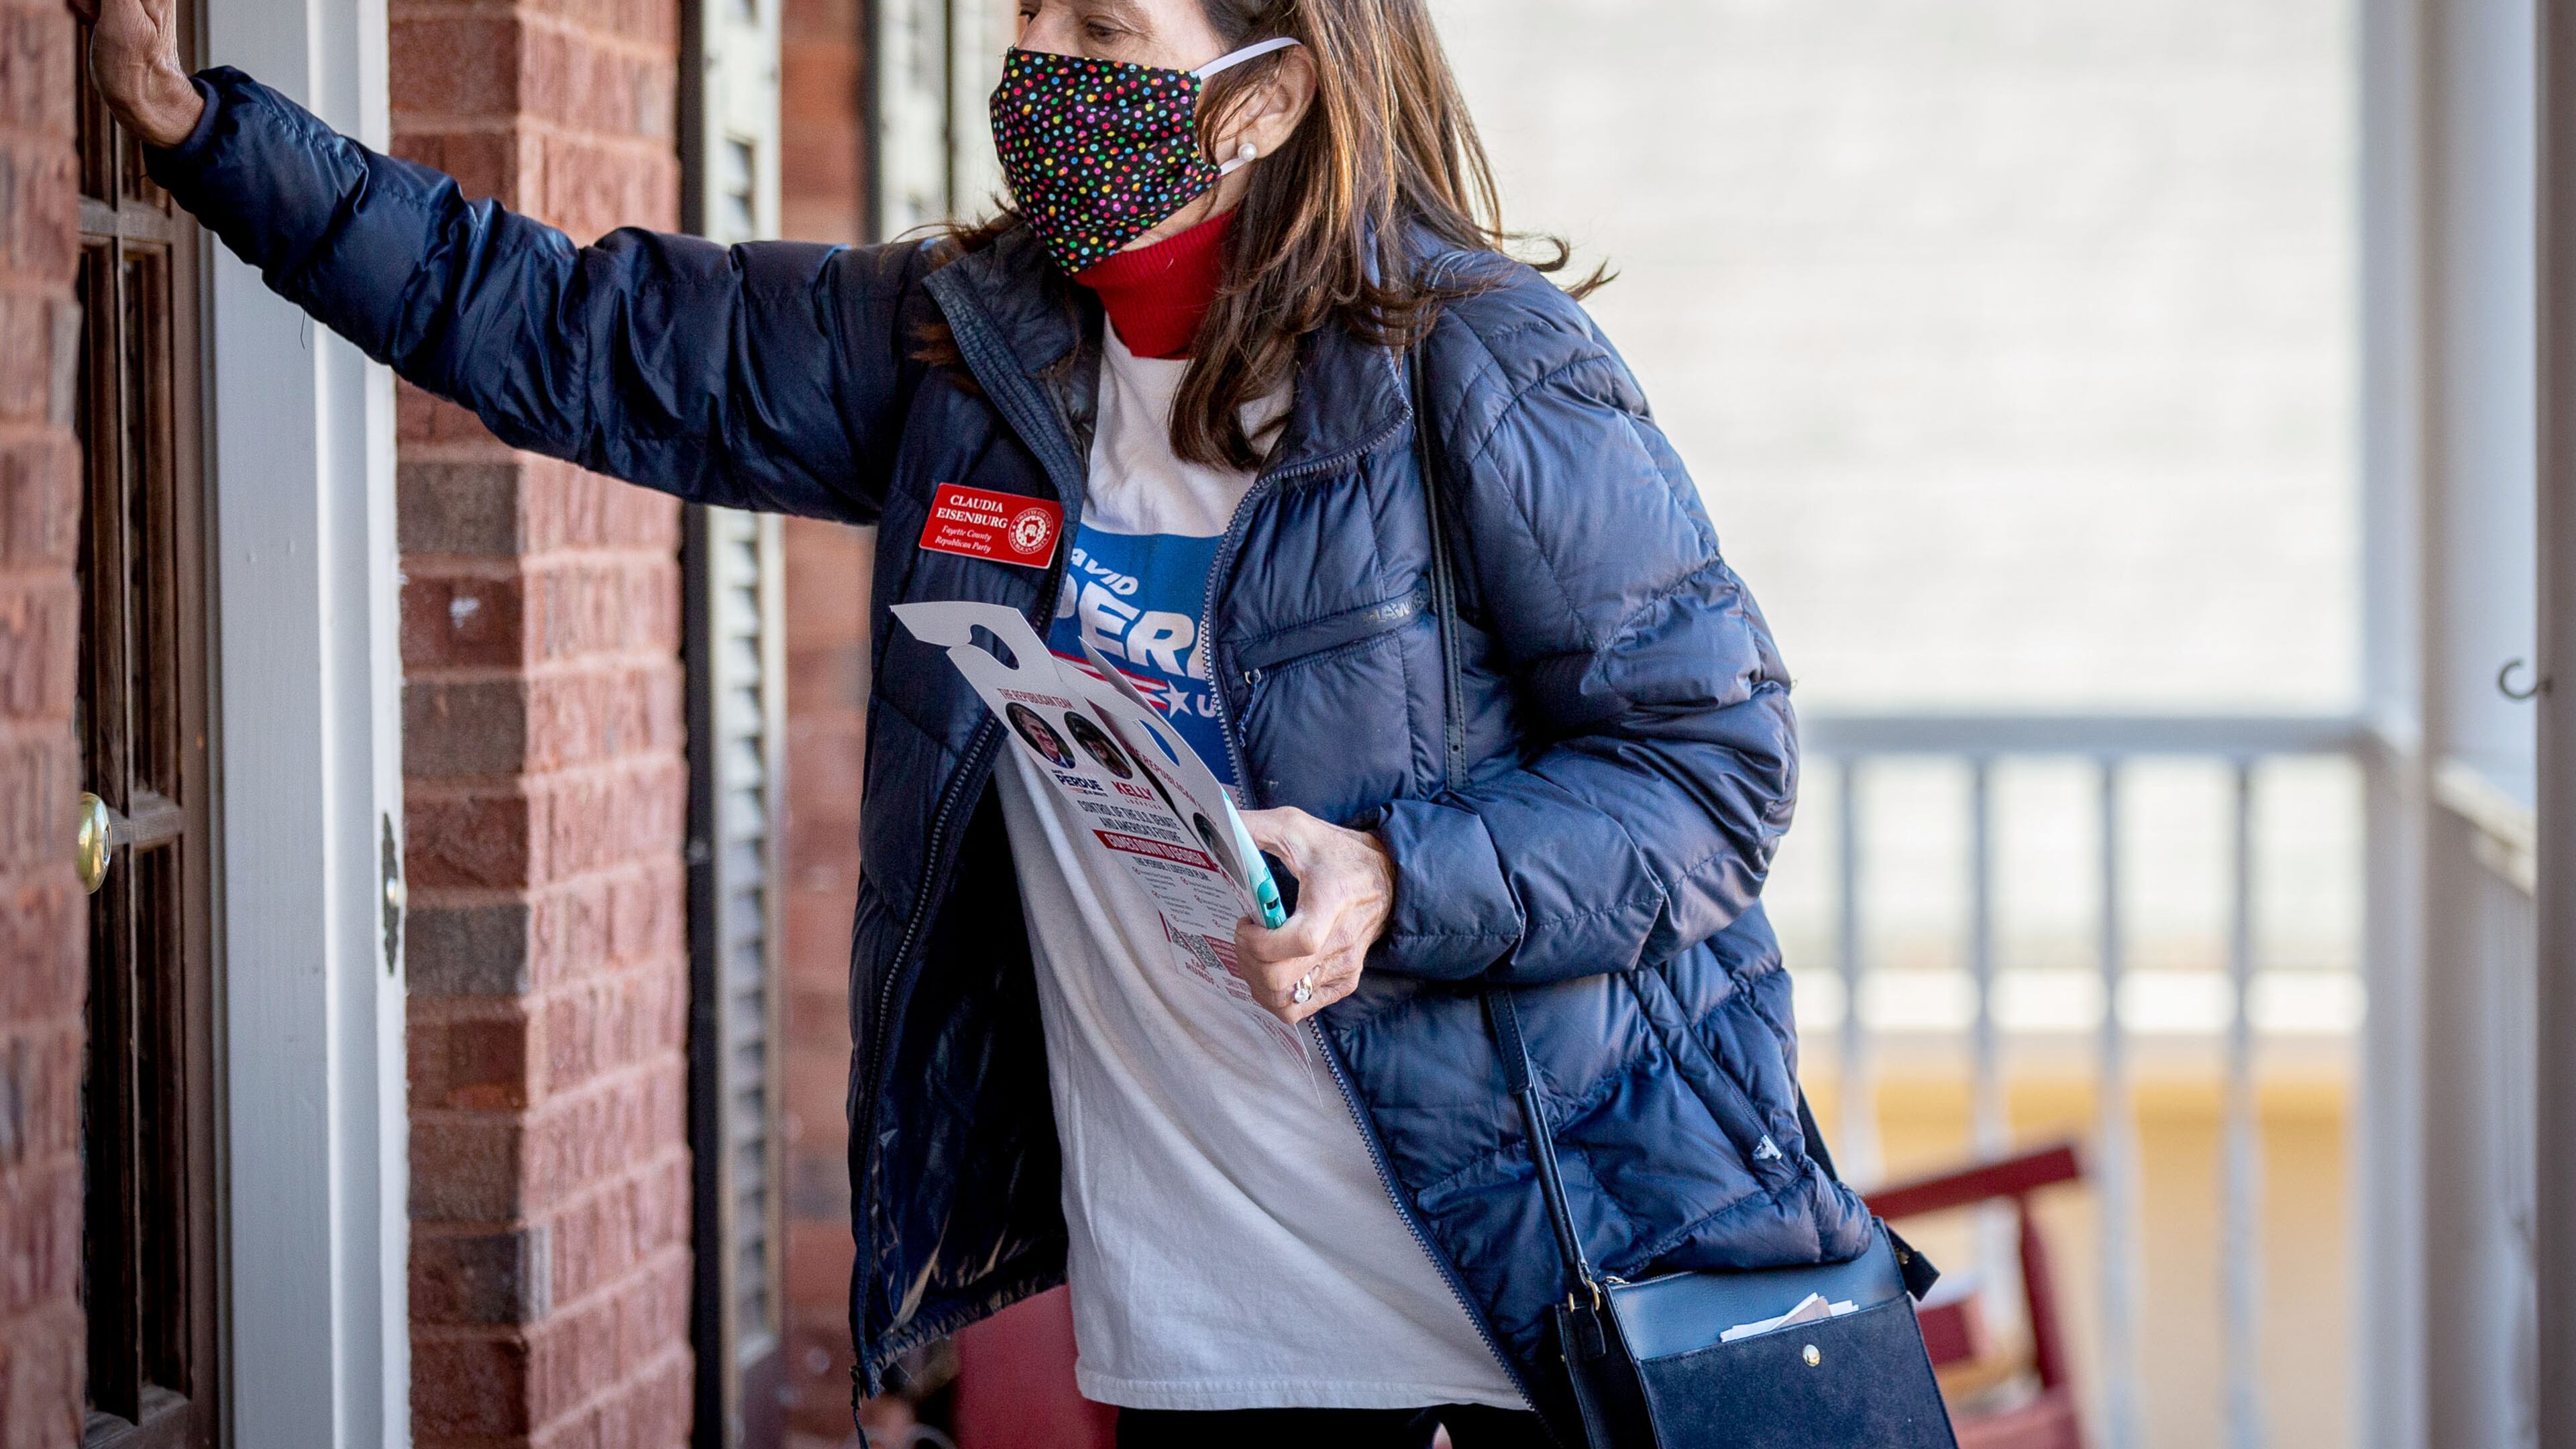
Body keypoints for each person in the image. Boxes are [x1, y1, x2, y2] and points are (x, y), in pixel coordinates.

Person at [84, 0, 1876, 1444]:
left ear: (1267, 97)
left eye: (1104, 35)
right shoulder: (962, 356)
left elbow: (1713, 778)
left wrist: (1398, 879)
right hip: (1212, 1362)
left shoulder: (1477, 367)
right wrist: (210, 134)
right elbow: (574, 327)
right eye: (1029, 21)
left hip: (1530, 1339)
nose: (1042, 72)